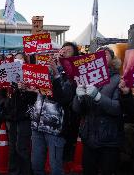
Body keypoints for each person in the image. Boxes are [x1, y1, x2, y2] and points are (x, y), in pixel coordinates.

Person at [72, 47, 123, 175]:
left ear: (112, 60)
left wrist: (98, 97)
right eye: (97, 55)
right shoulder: (86, 77)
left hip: (109, 139)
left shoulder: (118, 79)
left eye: (105, 55)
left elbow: (117, 108)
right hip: (89, 137)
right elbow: (77, 109)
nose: (100, 57)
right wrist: (79, 97)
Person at [31, 42, 79, 175]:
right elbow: (40, 91)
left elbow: (64, 97)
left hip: (55, 128)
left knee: (55, 167)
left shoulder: (73, 75)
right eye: (63, 48)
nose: (63, 51)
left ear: (73, 58)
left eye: (68, 50)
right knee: (36, 164)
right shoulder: (46, 69)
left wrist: (57, 73)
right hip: (37, 125)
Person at [1, 52, 37, 175]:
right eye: (16, 58)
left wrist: (24, 90)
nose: (18, 60)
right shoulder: (7, 78)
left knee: (22, 147)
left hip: (24, 117)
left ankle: (25, 171)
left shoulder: (30, 77)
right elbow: (2, 96)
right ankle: (13, 171)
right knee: (12, 148)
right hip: (11, 117)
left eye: (21, 59)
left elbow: (32, 100)